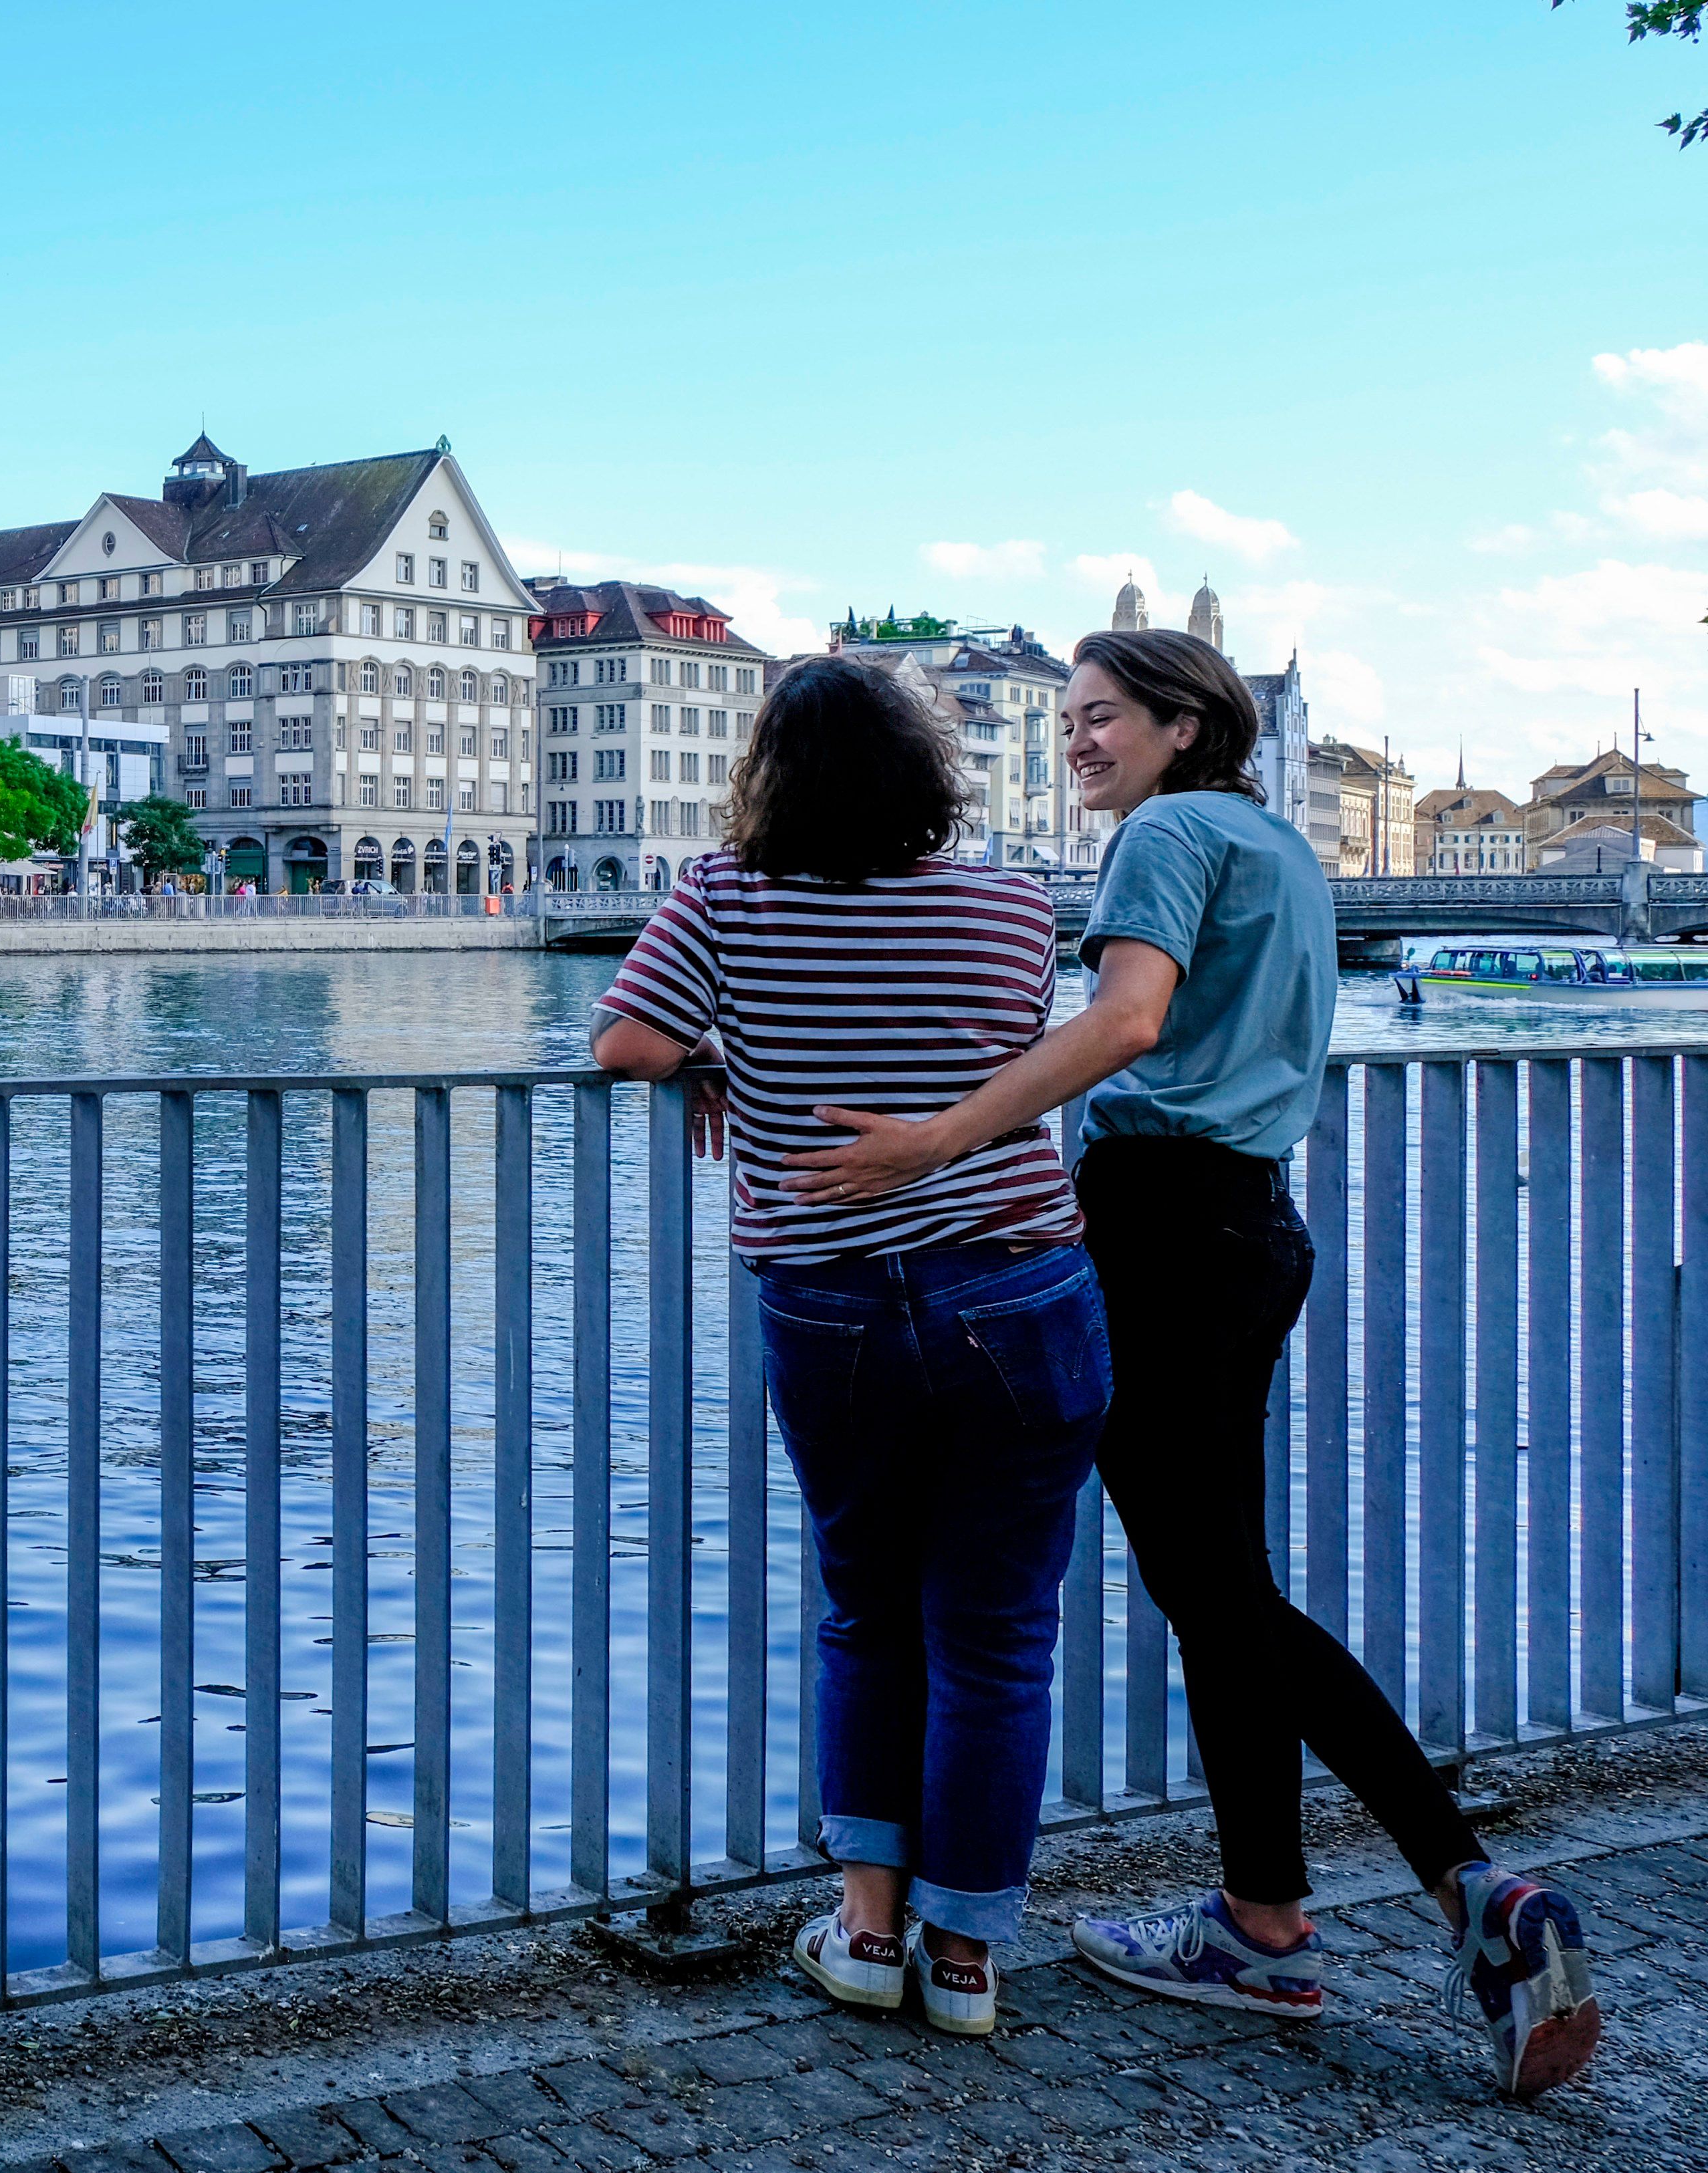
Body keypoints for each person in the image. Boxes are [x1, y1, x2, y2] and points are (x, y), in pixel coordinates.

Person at [781, 627, 1601, 2097]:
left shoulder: (1165, 834)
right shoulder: (1277, 844)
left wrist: (938, 1136)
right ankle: (1263, 1921)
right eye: (1073, 721)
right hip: (1251, 1225)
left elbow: (1129, 1019)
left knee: (1218, 1595)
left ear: (1184, 723)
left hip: (1156, 1228)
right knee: (1219, 1589)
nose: (1081, 742)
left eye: (1105, 716)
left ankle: (1472, 1884)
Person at [591, 654, 1108, 2039]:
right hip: (1017, 1285)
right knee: (999, 1631)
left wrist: (717, 1054)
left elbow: (626, 1045)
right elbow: (1002, 1056)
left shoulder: (722, 895)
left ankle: (867, 1930)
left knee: (868, 1607)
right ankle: (966, 1957)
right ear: (926, 771)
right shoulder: (1013, 902)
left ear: (769, 775)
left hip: (830, 1295)